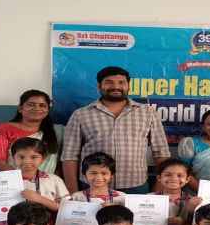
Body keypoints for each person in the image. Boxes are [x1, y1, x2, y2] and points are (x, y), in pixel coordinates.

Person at [61, 66, 171, 194]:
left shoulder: (147, 112)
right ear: (99, 86)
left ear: (128, 86)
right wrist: (73, 192)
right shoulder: (81, 114)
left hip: (135, 185)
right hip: (92, 186)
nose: (116, 86)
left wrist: (159, 188)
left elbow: (161, 151)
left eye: (121, 82)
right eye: (109, 82)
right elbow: (70, 155)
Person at [0, 89, 64, 174]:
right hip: (10, 180)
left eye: (42, 105)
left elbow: (62, 162)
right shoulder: (3, 130)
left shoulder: (58, 131)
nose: (37, 108)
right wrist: (21, 179)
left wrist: (43, 180)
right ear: (20, 108)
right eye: (31, 105)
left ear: (48, 111)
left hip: (45, 181)